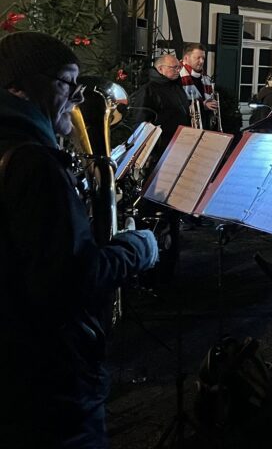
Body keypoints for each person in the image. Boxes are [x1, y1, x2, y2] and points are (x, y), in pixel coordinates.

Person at [0, 32, 159, 446]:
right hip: (44, 372)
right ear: (27, 86)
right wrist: (136, 248)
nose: (75, 99)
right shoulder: (33, 163)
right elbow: (72, 277)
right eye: (67, 84)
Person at [129, 53, 191, 156]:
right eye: (174, 67)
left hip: (179, 143)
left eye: (179, 67)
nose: (178, 70)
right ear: (160, 69)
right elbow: (141, 122)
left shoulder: (176, 86)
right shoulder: (148, 90)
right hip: (160, 147)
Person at [179, 43, 220, 127]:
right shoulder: (178, 76)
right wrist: (203, 105)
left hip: (204, 124)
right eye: (198, 58)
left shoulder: (205, 78)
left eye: (203, 58)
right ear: (186, 58)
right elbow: (178, 103)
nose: (202, 61)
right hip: (186, 126)